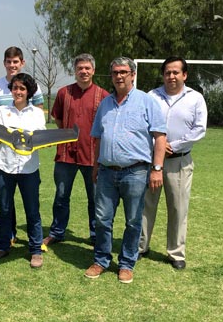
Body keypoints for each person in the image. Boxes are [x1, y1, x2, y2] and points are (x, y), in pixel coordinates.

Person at [85, 57, 166, 283]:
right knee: (102, 219)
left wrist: (157, 169)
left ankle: (127, 263)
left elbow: (160, 137)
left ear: (132, 74)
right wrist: (95, 165)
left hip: (136, 172)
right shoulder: (105, 104)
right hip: (107, 172)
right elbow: (98, 137)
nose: (119, 76)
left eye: (123, 72)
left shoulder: (146, 102)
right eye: (115, 72)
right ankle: (101, 259)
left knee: (133, 220)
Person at [139, 56, 207, 270]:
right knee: (145, 206)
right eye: (167, 72)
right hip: (151, 161)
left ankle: (176, 252)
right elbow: (142, 124)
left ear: (184, 75)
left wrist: (173, 145)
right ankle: (141, 246)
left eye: (176, 72)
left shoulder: (195, 98)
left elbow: (199, 129)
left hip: (179, 162)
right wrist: (157, 145)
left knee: (178, 208)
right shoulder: (152, 96)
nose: (171, 76)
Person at [43, 53, 109, 247]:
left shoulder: (102, 95)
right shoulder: (64, 93)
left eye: (87, 68)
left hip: (93, 156)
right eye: (80, 68)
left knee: (95, 198)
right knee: (61, 196)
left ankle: (96, 235)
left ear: (93, 71)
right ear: (75, 71)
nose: (84, 71)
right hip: (65, 155)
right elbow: (58, 119)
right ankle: (57, 231)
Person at [0, 73, 46, 268]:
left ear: (28, 92)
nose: (18, 92)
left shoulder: (36, 113)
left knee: (32, 210)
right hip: (4, 166)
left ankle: (35, 249)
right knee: (4, 209)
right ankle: (3, 246)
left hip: (29, 168)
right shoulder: (2, 110)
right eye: (15, 88)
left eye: (22, 88)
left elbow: (40, 138)